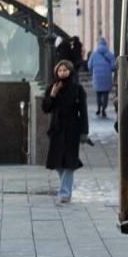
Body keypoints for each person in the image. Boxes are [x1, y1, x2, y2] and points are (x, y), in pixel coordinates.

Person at [43, 60, 89, 204]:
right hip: (56, 129)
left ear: (70, 71)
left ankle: (65, 193)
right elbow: (45, 108)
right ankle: (66, 188)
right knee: (57, 162)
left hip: (72, 129)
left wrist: (84, 132)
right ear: (56, 72)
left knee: (69, 162)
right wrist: (52, 95)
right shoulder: (52, 87)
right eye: (60, 70)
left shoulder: (77, 89)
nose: (62, 73)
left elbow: (83, 112)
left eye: (65, 70)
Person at [88, 36, 116, 118]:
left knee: (98, 94)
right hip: (107, 77)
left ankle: (98, 108)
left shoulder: (94, 54)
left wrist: (93, 71)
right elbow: (113, 66)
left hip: (97, 77)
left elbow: (89, 65)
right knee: (105, 94)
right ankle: (104, 109)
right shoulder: (110, 54)